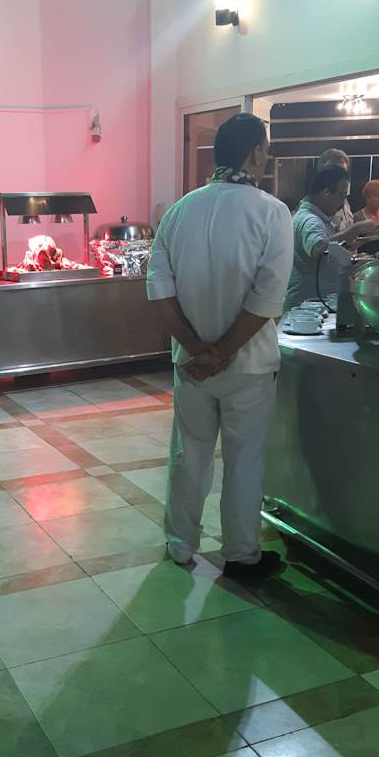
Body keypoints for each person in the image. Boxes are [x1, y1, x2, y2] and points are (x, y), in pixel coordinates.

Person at [147, 113, 293, 582]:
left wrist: (198, 350)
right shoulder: (272, 212)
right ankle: (241, 555)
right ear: (254, 153)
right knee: (244, 460)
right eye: (265, 149)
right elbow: (267, 299)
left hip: (191, 367)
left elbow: (160, 293)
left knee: (188, 453)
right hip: (248, 367)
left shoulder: (179, 212)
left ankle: (180, 542)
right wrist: (224, 352)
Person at [284, 166, 360, 312]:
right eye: (342, 196)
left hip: (314, 307)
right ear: (326, 193)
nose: (343, 204)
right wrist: (351, 231)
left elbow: (328, 250)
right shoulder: (310, 219)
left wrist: (346, 245)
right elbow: (319, 249)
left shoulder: (314, 217)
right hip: (306, 311)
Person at [353, 179, 379, 254]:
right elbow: (352, 243)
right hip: (362, 259)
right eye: (377, 195)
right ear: (367, 197)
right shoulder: (357, 217)